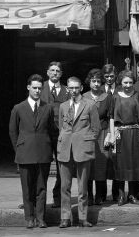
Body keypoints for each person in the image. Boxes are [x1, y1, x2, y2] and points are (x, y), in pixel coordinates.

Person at [9, 74, 58, 229]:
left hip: (43, 152)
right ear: (28, 87)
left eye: (39, 88)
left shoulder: (47, 108)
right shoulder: (18, 108)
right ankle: (29, 218)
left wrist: (53, 150)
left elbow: (52, 131)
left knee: (41, 187)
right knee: (27, 188)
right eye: (34, 88)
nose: (37, 91)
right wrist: (19, 149)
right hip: (25, 153)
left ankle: (41, 218)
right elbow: (13, 131)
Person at [57, 76, 100, 228]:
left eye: (76, 88)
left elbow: (96, 128)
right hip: (65, 149)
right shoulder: (63, 106)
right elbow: (61, 126)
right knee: (65, 186)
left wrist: (87, 142)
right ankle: (65, 217)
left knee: (83, 187)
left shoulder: (90, 105)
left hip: (83, 149)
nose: (74, 91)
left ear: (81, 88)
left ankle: (83, 218)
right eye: (71, 88)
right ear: (67, 89)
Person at [109, 70, 139, 205]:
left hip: (134, 133)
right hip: (120, 133)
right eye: (125, 82)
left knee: (134, 163)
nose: (128, 85)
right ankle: (121, 195)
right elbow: (111, 117)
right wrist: (112, 135)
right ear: (120, 83)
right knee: (120, 164)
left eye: (130, 82)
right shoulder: (115, 97)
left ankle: (133, 194)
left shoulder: (137, 96)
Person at [82, 69, 114, 206]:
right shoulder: (83, 97)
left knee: (101, 164)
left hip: (103, 133)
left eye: (98, 81)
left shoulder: (107, 97)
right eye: (93, 81)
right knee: (88, 164)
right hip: (87, 134)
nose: (96, 84)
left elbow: (111, 117)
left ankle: (100, 195)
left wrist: (110, 134)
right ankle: (88, 195)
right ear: (89, 82)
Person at [41, 61, 68, 208]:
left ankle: (58, 198)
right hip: (43, 133)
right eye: (52, 70)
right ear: (47, 72)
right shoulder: (39, 88)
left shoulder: (66, 91)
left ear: (61, 73)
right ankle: (38, 199)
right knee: (41, 166)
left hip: (60, 134)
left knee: (61, 166)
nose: (55, 73)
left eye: (57, 71)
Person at [101, 64, 119, 203]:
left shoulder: (121, 89)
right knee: (102, 161)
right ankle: (101, 194)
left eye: (111, 76)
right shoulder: (99, 90)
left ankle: (116, 194)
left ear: (115, 76)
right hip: (103, 129)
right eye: (106, 76)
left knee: (116, 161)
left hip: (118, 128)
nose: (109, 79)